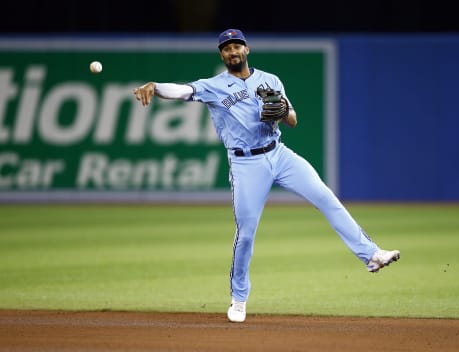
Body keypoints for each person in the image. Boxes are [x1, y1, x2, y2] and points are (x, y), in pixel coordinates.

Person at [133, 29, 400, 323]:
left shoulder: (270, 80)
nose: (232, 51)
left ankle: (372, 256)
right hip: (246, 164)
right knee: (246, 233)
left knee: (326, 197)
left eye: (236, 45)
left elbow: (293, 120)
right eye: (226, 48)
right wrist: (156, 86)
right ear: (222, 55)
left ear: (247, 49)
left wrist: (283, 110)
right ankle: (238, 299)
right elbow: (183, 90)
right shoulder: (214, 86)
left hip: (279, 153)